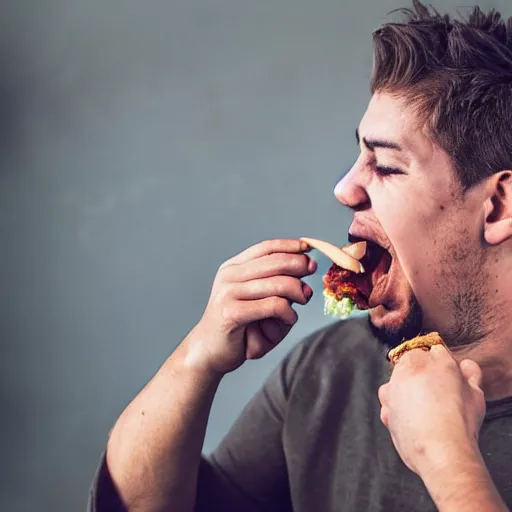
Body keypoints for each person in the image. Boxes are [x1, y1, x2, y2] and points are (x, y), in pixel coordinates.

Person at [88, 1, 512, 510]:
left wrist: (447, 457)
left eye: (386, 166)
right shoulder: (332, 366)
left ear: (497, 206)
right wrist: (196, 359)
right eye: (359, 156)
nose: (344, 188)